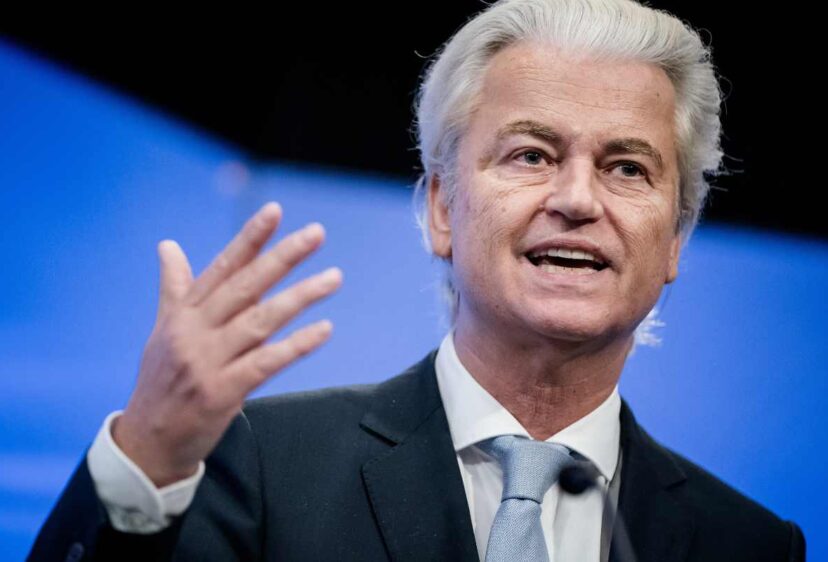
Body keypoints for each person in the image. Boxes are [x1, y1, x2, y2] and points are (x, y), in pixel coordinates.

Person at [28, 0, 806, 560]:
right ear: (441, 208)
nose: (576, 199)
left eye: (627, 167)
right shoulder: (263, 464)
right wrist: (147, 456)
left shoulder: (749, 544)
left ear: (674, 238)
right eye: (532, 155)